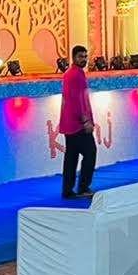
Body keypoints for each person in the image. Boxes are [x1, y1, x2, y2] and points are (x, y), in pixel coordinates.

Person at [59, 44, 96, 199]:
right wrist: (86, 120)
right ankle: (83, 187)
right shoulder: (75, 75)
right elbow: (77, 100)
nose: (84, 59)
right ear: (73, 57)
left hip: (69, 123)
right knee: (90, 153)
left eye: (85, 56)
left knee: (71, 157)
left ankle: (67, 190)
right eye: (81, 56)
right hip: (77, 124)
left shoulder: (71, 73)